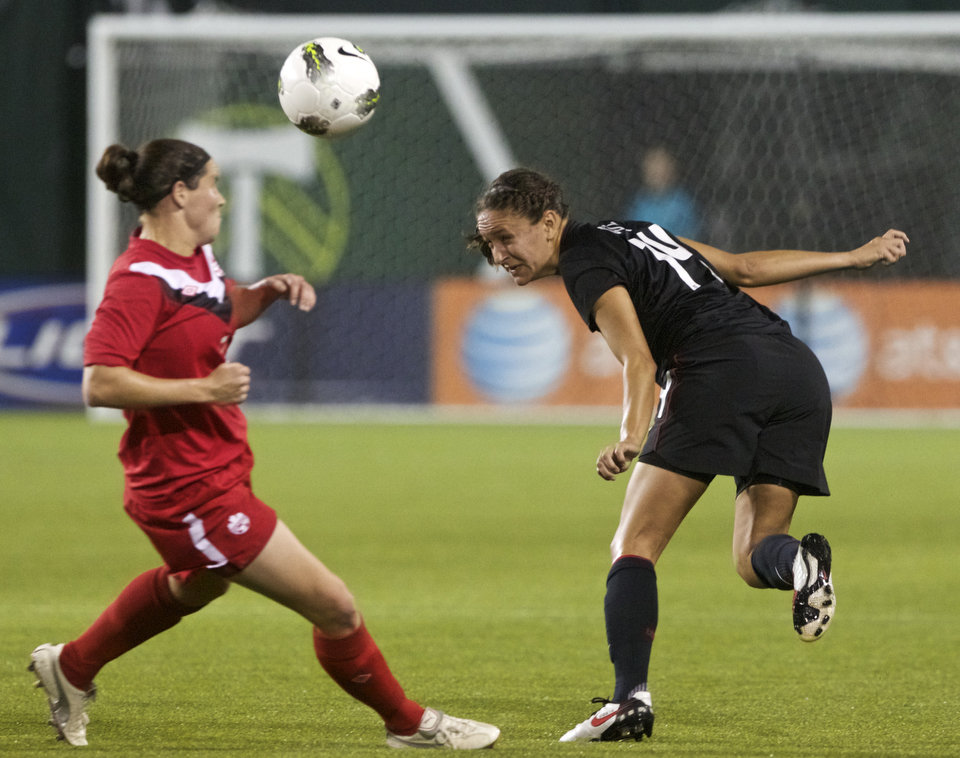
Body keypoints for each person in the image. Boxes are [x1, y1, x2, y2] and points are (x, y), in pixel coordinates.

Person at [29, 138, 500, 751]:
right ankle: (411, 724)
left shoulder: (196, 258)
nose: (221, 195)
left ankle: (72, 667)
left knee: (196, 584)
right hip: (186, 490)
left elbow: (217, 311)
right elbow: (99, 381)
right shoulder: (139, 281)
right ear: (180, 193)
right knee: (335, 606)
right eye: (213, 183)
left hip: (216, 470)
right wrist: (203, 388)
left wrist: (264, 294)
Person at [469, 167, 908, 743]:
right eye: (488, 243)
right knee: (755, 559)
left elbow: (640, 362)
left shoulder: (583, 261)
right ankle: (801, 564)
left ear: (550, 223)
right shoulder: (637, 229)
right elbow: (746, 269)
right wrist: (853, 257)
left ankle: (629, 703)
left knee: (634, 544)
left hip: (719, 370)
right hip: (796, 370)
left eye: (505, 237)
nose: (497, 254)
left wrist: (631, 433)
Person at [624, 145, 701, 239]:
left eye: (660, 165)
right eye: (651, 166)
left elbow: (692, 233)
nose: (656, 171)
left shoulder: (683, 202)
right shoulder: (638, 202)